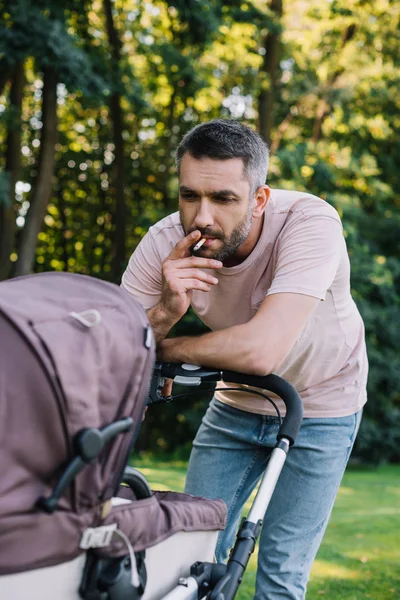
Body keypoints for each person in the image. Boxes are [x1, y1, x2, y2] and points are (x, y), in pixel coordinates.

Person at [121, 119, 368, 599]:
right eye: (189, 195)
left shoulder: (310, 223)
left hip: (324, 404)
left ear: (258, 199)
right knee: (187, 556)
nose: (201, 218)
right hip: (236, 403)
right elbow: (112, 347)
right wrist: (167, 313)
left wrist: (159, 351)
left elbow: (260, 350)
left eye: (224, 199)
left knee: (280, 573)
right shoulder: (163, 241)